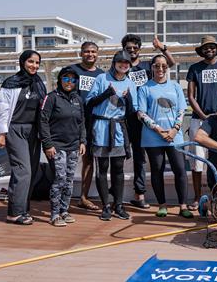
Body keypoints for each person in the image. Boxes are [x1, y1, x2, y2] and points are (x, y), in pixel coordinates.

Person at [122, 33, 177, 210]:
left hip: (146, 118)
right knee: (122, 155)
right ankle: (115, 196)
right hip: (126, 116)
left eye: (135, 47)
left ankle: (140, 195)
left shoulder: (147, 66)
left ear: (139, 49)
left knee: (140, 158)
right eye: (128, 48)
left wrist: (162, 47)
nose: (132, 51)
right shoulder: (122, 66)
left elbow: (171, 63)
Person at [135, 54, 192, 219]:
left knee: (180, 170)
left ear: (168, 68)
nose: (160, 69)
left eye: (163, 66)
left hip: (175, 136)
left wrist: (174, 129)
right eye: (156, 66)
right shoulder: (145, 88)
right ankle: (162, 205)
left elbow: (182, 110)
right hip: (152, 137)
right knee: (156, 171)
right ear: (151, 68)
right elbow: (141, 113)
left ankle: (183, 205)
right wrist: (158, 129)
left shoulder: (175, 87)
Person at [0, 50, 46, 225]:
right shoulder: (11, 83)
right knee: (22, 170)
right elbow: (3, 109)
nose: (34, 66)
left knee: (31, 171)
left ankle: (23, 208)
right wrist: (2, 133)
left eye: (37, 63)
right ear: (23, 62)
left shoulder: (39, 83)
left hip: (34, 131)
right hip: (15, 129)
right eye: (31, 62)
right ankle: (14, 213)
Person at [87, 51, 138, 221]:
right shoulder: (101, 79)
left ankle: (119, 205)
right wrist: (106, 93)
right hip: (101, 128)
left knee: (118, 169)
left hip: (118, 129)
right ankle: (105, 206)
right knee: (102, 169)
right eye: (120, 62)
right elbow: (89, 102)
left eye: (127, 63)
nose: (123, 65)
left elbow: (132, 111)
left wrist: (128, 97)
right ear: (114, 62)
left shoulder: (130, 83)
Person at [187, 36, 217, 207]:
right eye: (205, 47)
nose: (209, 49)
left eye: (211, 46)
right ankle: (196, 196)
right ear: (201, 50)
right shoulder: (194, 68)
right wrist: (203, 116)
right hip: (198, 119)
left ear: (216, 48)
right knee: (197, 160)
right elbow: (191, 96)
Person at [39, 66, 86, 227]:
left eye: (73, 80)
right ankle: (54, 214)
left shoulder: (77, 99)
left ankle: (64, 211)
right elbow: (43, 121)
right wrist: (47, 144)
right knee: (59, 179)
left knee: (69, 180)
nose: (69, 82)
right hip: (56, 146)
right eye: (66, 79)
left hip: (73, 146)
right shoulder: (51, 97)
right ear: (60, 80)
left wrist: (82, 141)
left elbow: (82, 122)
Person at [69, 41, 105, 211]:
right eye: (86, 51)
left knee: (89, 159)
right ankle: (62, 196)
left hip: (94, 122)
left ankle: (83, 197)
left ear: (97, 54)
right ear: (80, 53)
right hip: (73, 121)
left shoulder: (102, 75)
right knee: (67, 158)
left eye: (93, 51)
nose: (90, 54)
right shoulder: (72, 71)